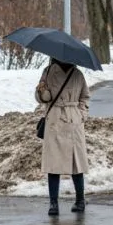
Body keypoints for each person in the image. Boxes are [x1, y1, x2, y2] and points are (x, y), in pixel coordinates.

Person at [36, 57, 90, 216]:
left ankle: (80, 200)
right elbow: (43, 98)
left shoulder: (78, 74)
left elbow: (85, 97)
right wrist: (41, 92)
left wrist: (81, 114)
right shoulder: (47, 72)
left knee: (76, 164)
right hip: (55, 120)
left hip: (73, 121)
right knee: (53, 165)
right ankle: (53, 203)